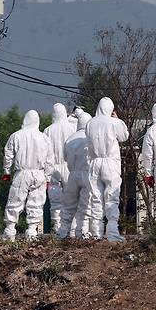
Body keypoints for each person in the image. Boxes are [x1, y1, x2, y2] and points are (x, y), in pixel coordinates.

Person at [2, 110, 54, 241]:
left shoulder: (16, 136)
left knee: (15, 201)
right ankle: (32, 231)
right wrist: (48, 177)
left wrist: (6, 171)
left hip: (22, 173)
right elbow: (50, 160)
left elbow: (8, 155)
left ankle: (10, 230)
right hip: (39, 173)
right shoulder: (44, 138)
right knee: (36, 203)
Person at [86, 97, 129, 241]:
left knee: (96, 198)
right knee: (111, 196)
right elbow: (124, 136)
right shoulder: (114, 122)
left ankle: (96, 233)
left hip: (94, 163)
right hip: (110, 162)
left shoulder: (90, 123)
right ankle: (112, 232)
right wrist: (117, 119)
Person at [57, 112, 93, 239]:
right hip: (87, 174)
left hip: (72, 174)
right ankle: (82, 232)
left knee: (68, 205)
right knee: (85, 205)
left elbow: (65, 158)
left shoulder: (70, 138)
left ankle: (63, 232)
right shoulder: (91, 138)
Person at [43, 103, 76, 233]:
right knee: (71, 198)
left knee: (55, 200)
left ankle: (57, 227)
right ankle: (72, 228)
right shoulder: (71, 128)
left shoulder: (48, 130)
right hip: (68, 166)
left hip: (53, 167)